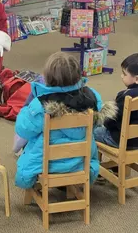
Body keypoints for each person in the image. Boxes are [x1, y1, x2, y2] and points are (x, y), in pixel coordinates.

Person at [14, 52, 117, 189]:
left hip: (45, 164)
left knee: (32, 140)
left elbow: (22, 129)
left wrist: (28, 107)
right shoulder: (92, 97)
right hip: (81, 162)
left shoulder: (41, 104)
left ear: (48, 77)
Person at [94, 53, 138, 150]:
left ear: (137, 79)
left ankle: (92, 162)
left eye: (124, 74)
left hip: (124, 141)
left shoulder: (126, 96)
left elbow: (111, 121)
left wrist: (104, 122)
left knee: (93, 131)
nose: (122, 76)